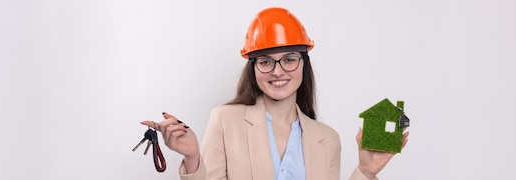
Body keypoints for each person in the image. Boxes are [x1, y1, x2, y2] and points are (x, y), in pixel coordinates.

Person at [140, 7, 409, 180]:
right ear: (253, 68)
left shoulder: (327, 139)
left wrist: (365, 172)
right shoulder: (225, 120)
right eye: (266, 61)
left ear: (304, 63)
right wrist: (193, 159)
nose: (278, 71)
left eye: (289, 59)